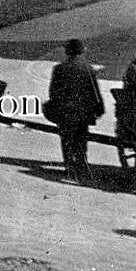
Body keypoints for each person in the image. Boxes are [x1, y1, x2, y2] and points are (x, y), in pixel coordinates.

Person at [45, 39, 105, 185]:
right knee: (81, 139)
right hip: (83, 112)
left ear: (68, 51)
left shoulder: (59, 68)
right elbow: (95, 91)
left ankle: (69, 167)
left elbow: (53, 92)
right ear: (81, 51)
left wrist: (54, 107)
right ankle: (81, 166)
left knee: (66, 140)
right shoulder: (88, 68)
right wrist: (100, 109)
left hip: (66, 112)